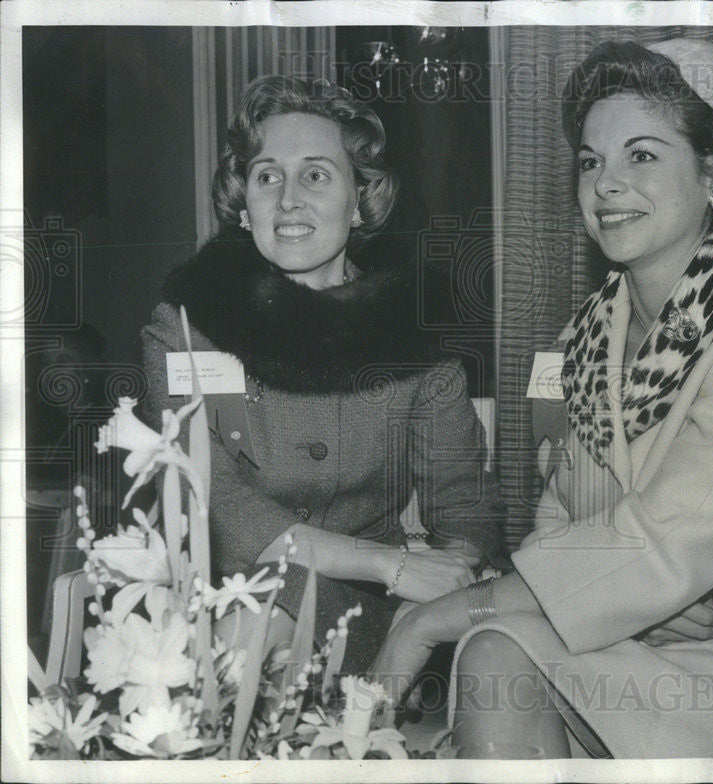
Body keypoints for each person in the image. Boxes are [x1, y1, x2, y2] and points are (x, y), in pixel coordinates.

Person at [371, 39, 713, 757]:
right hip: (665, 624)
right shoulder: (583, 337)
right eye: (591, 161)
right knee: (496, 652)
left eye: (642, 155)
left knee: (480, 640)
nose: (606, 184)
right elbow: (565, 526)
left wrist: (426, 620)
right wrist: (628, 601)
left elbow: (668, 541)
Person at [141, 75, 505, 674]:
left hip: (371, 612)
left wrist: (445, 585)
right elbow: (214, 502)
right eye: (267, 176)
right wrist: (389, 563)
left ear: (360, 200)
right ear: (243, 204)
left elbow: (464, 500)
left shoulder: (411, 332)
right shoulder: (184, 328)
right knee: (241, 642)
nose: (288, 200)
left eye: (315, 174)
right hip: (230, 600)